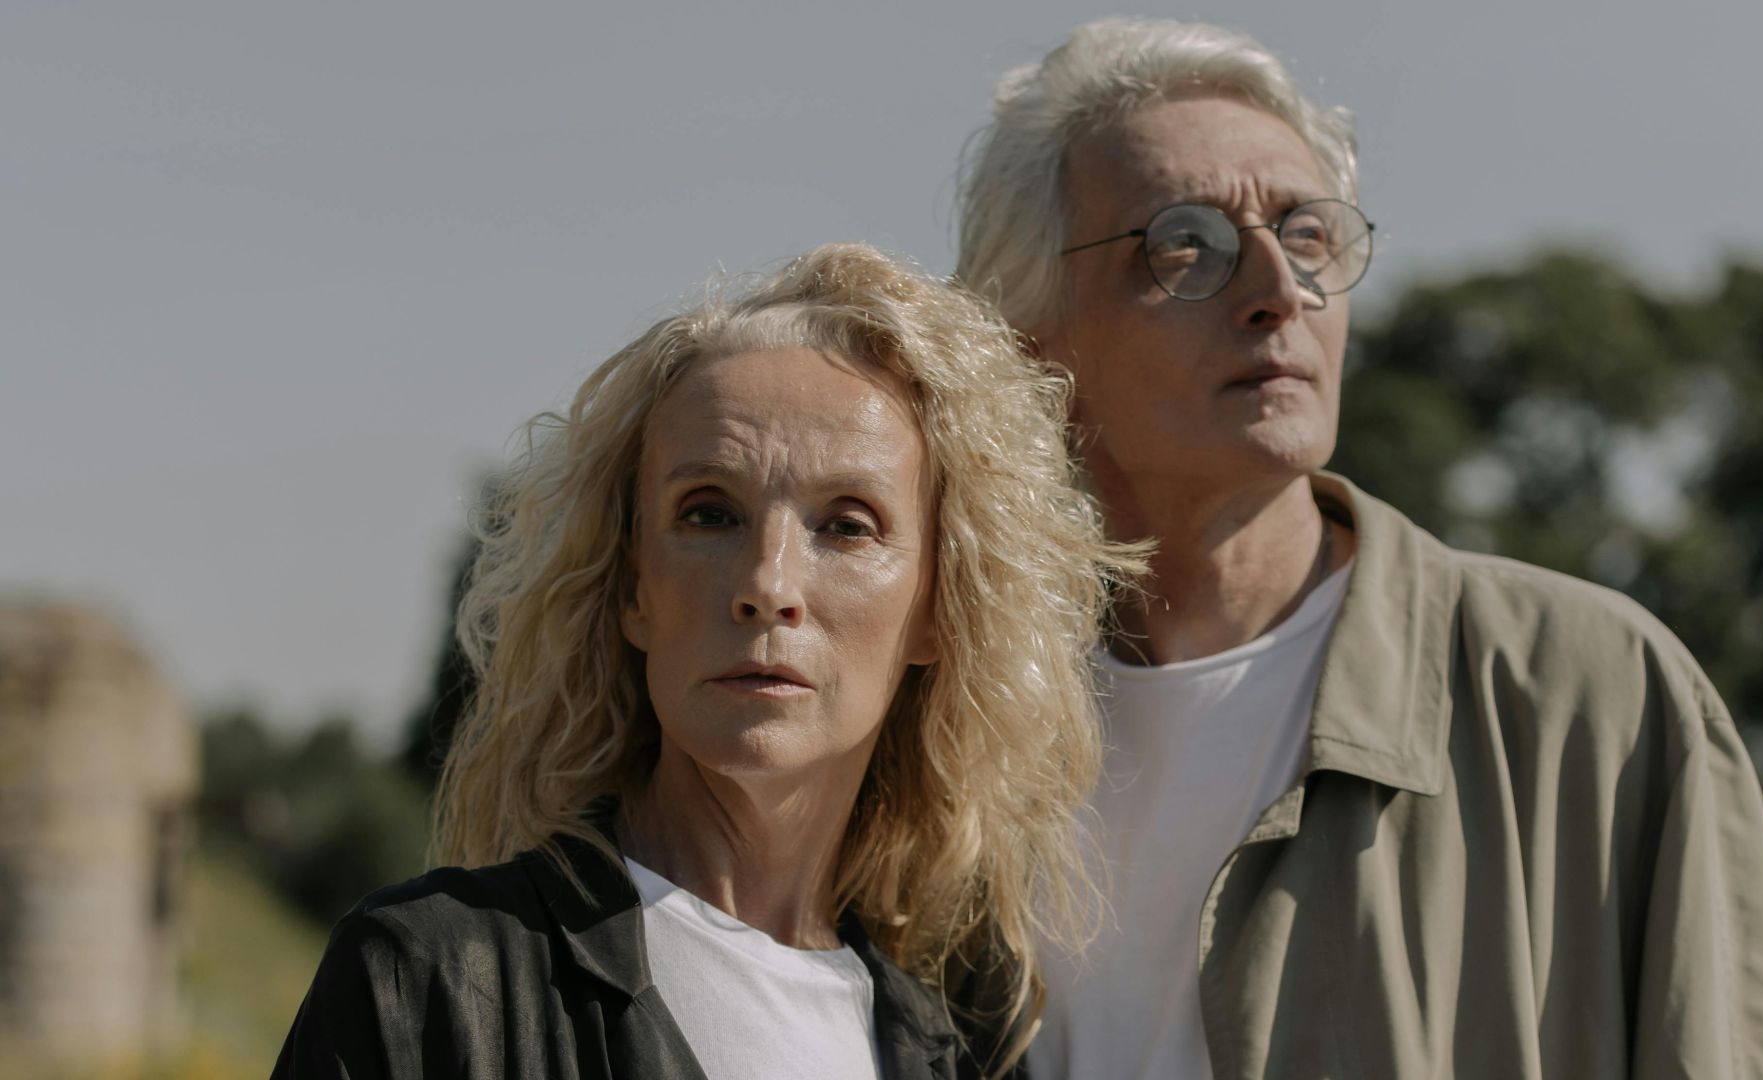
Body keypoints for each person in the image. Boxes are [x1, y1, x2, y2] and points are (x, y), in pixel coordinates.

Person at [953, 17, 1763, 1080]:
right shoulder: (944, 725)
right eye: (1188, 245)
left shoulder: (1593, 696)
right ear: (1027, 336)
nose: (1280, 288)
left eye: (1308, 232)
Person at [272, 243, 1138, 1080]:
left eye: (846, 524)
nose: (768, 584)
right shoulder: (429, 981)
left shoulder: (955, 1058)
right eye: (709, 513)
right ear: (632, 587)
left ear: (937, 611)